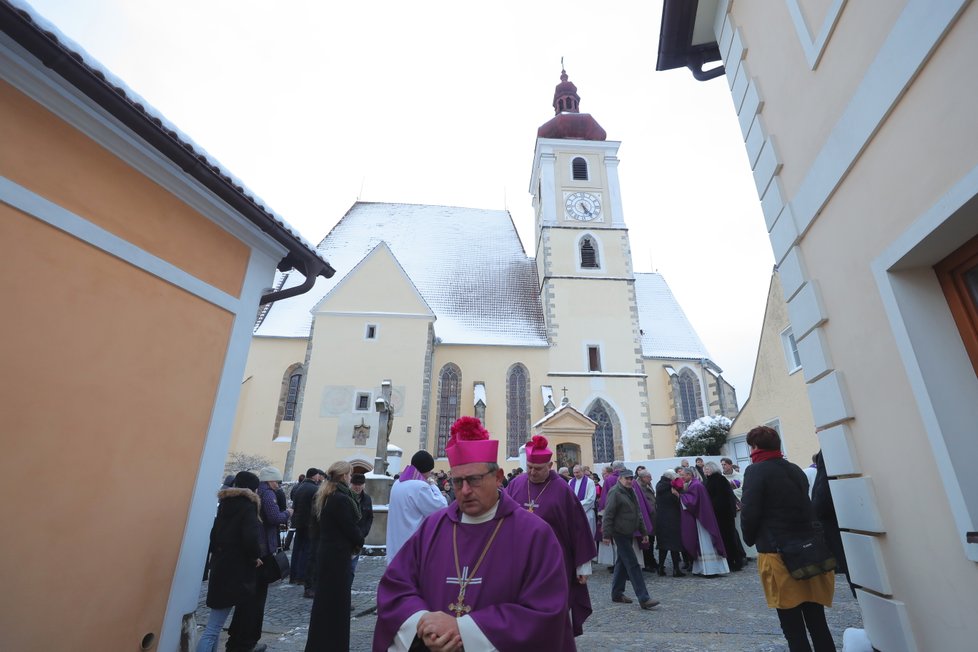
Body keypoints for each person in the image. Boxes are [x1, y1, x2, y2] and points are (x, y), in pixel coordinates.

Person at [373, 416, 573, 651]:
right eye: (457, 482)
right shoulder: (432, 528)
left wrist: (464, 630)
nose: (465, 490)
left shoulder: (534, 534)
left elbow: (545, 610)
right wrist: (423, 625)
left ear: (498, 477)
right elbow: (396, 587)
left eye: (474, 479)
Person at [741, 425, 836, 652]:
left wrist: (749, 538)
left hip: (779, 554)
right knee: (817, 621)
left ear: (754, 447)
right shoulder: (794, 469)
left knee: (792, 625)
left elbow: (749, 511)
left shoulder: (756, 471)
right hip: (809, 550)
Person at [505, 435, 596, 637]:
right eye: (529, 467)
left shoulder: (562, 488)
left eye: (538, 468)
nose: (532, 472)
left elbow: (578, 528)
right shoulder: (516, 484)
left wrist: (583, 565)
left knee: (552, 610)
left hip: (555, 562)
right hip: (519, 561)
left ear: (551, 465)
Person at [197, 471, 266, 652]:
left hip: (221, 564)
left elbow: (214, 535)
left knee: (216, 624)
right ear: (253, 488)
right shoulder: (248, 506)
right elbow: (250, 537)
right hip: (236, 569)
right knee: (213, 628)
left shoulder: (225, 503)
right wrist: (255, 556)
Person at [305, 461, 365, 652]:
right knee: (337, 605)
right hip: (337, 557)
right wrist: (359, 539)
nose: (350, 478)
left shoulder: (325, 495)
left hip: (327, 553)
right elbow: (349, 528)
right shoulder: (340, 498)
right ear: (343, 476)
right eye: (349, 474)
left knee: (325, 603)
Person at [602, 469, 659, 610]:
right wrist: (606, 535)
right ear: (620, 479)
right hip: (619, 533)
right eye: (627, 478)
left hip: (629, 532)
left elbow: (638, 512)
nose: (629, 480)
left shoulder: (631, 491)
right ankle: (644, 598)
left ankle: (617, 594)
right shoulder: (615, 492)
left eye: (631, 478)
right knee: (633, 564)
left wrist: (644, 531)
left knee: (621, 563)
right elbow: (608, 514)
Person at [385, 450, 447, 565]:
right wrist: (433, 485)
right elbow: (441, 507)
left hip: (396, 543)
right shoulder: (419, 486)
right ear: (427, 470)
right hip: (411, 543)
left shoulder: (398, 483)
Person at [811, 450, 854, 598]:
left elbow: (823, 494)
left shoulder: (828, 449)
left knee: (855, 571)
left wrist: (816, 511)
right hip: (845, 517)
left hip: (837, 521)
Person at [674, 466, 729, 576]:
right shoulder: (692, 484)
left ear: (689, 475)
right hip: (699, 517)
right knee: (700, 542)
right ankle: (701, 568)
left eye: (683, 476)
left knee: (705, 542)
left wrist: (679, 495)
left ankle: (712, 569)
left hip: (702, 518)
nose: (682, 478)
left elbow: (692, 502)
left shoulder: (696, 485)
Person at [704, 461, 746, 571]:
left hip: (723, 514)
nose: (705, 471)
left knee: (729, 538)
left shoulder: (718, 479)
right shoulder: (712, 480)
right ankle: (732, 560)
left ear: (712, 469)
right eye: (705, 469)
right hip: (720, 513)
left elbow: (723, 497)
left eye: (707, 469)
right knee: (727, 538)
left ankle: (735, 561)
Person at [289, 468, 323, 586]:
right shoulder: (315, 488)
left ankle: (293, 575)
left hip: (298, 522)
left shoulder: (298, 487)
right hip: (309, 523)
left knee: (297, 549)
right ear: (315, 476)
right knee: (307, 550)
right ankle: (301, 576)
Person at [654, 470, 685, 577]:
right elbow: (675, 502)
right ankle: (676, 569)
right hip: (672, 519)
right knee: (674, 545)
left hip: (661, 519)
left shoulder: (659, 485)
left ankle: (660, 567)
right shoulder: (671, 487)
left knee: (663, 545)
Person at [349, 472, 374, 590]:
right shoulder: (346, 497)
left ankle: (346, 595)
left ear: (364, 485)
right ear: (351, 484)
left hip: (358, 541)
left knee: (351, 570)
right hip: (346, 540)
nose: (357, 487)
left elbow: (369, 517)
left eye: (360, 484)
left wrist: (364, 532)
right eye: (355, 484)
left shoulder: (367, 499)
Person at [634, 469, 658, 573]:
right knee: (647, 541)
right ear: (643, 478)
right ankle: (648, 563)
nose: (651, 479)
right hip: (646, 518)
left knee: (651, 540)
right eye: (649, 477)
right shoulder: (639, 487)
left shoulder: (648, 485)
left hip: (652, 517)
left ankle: (651, 561)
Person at [569, 464, 597, 537]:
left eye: (577, 472)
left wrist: (577, 505)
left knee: (588, 536)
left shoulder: (589, 482)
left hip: (587, 512)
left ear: (582, 472)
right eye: (574, 473)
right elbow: (568, 496)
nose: (576, 474)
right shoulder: (570, 482)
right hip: (574, 513)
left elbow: (591, 499)